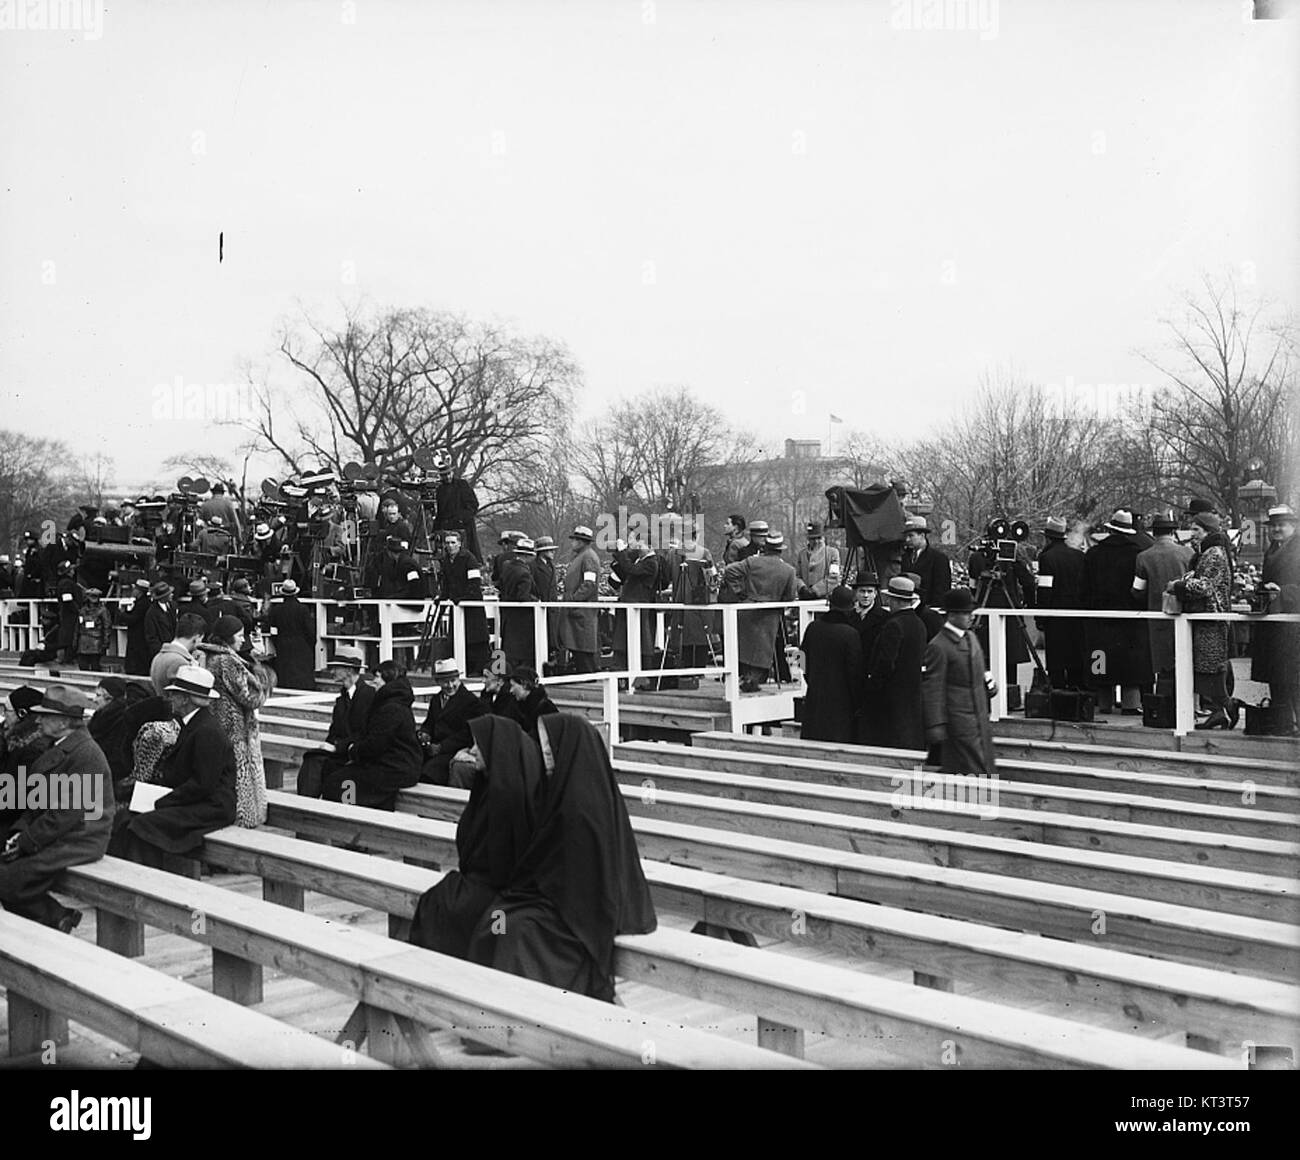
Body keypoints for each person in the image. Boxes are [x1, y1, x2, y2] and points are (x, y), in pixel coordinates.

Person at [465, 713, 656, 1003]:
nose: (544, 753)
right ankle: (486, 1004)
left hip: (580, 911)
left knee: (515, 931)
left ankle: (514, 1012)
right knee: (496, 919)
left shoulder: (583, 808)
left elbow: (585, 881)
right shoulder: (561, 791)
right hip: (554, 898)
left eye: (548, 746)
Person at [408, 714, 545, 958]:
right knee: (437, 901)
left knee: (441, 906)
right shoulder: (489, 784)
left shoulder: (508, 795)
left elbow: (503, 866)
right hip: (482, 882)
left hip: (500, 892)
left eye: (477, 745)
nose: (472, 751)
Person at [0, 686, 113, 933]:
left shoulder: (87, 754)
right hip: (59, 831)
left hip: (82, 836)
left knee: (8, 878)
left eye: (45, 715)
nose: (37, 719)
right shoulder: (59, 745)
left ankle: (54, 918)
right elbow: (35, 803)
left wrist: (26, 840)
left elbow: (66, 813)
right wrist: (19, 832)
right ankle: (55, 919)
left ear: (63, 722)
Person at [110, 666, 237, 867]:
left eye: (174, 694)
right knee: (125, 817)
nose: (169, 698)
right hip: (196, 799)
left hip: (212, 807)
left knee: (142, 825)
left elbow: (203, 785)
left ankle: (148, 882)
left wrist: (162, 800)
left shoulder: (206, 731)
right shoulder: (195, 724)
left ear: (186, 699)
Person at [197, 616, 275, 826]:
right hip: (236, 730)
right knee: (240, 780)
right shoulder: (227, 661)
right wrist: (264, 678)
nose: (243, 640)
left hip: (220, 726)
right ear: (228, 637)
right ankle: (245, 819)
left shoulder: (210, 657)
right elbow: (251, 697)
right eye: (240, 635)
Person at [322, 660, 422, 810]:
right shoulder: (391, 702)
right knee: (338, 774)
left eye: (378, 677)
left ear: (388, 681)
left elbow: (375, 744)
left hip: (396, 769)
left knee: (338, 782)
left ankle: (351, 817)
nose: (374, 681)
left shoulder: (391, 708)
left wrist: (352, 751)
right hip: (396, 764)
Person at [921, 589, 997, 779]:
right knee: (970, 770)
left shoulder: (970, 637)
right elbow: (932, 688)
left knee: (983, 766)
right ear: (952, 615)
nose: (971, 617)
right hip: (958, 722)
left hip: (979, 717)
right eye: (966, 613)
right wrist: (935, 725)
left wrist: (989, 684)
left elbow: (979, 670)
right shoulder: (939, 646)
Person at [1083, 509, 1152, 715]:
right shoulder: (1137, 555)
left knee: (1101, 658)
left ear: (1110, 529)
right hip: (1129, 618)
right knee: (1130, 661)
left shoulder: (1093, 554)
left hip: (1099, 618)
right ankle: (1131, 704)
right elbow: (1139, 589)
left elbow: (1083, 588)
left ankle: (1103, 703)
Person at [1177, 512, 1237, 730]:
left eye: (1196, 529)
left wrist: (1179, 587)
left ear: (1208, 531)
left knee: (1209, 667)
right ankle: (1219, 710)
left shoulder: (1213, 554)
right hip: (1208, 618)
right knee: (1207, 667)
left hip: (1211, 618)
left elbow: (1205, 586)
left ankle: (1226, 706)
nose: (1192, 534)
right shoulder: (1209, 552)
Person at [721, 531, 799, 692]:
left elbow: (729, 571)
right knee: (763, 650)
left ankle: (745, 680)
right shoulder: (788, 570)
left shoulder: (752, 562)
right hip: (769, 615)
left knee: (744, 648)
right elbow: (790, 596)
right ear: (780, 550)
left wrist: (740, 591)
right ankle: (752, 680)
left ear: (766, 547)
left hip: (747, 609)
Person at [297, 646, 376, 799]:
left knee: (322, 766)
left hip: (357, 754)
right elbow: (335, 731)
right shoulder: (342, 699)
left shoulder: (368, 696)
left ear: (349, 670)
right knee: (312, 758)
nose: (331, 672)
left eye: (336, 668)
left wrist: (336, 747)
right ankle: (306, 806)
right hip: (342, 751)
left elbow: (365, 733)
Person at [1131, 512, 1192, 696]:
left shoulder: (1143, 557)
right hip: (1185, 615)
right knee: (1184, 660)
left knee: (1163, 664)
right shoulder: (1188, 553)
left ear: (1154, 533)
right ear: (1173, 531)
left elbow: (1137, 591)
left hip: (1157, 616)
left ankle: (1163, 702)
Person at [1252, 504, 1300, 735]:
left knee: (1294, 678)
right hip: (1275, 624)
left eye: (1282, 525)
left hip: (1293, 624)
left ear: (1293, 526)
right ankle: (1283, 724)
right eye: (1273, 526)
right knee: (1278, 677)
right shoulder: (1272, 550)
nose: (1277, 529)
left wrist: (1283, 590)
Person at [865, 575, 927, 751]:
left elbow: (886, 662)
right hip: (913, 692)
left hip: (892, 695)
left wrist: (873, 684)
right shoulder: (919, 624)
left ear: (894, 600)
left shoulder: (894, 625)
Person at [798, 587, 866, 743]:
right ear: (851, 606)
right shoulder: (850, 634)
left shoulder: (813, 628)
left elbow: (801, 657)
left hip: (814, 701)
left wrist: (810, 679)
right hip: (841, 706)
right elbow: (855, 673)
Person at [1037, 516, 1090, 690]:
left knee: (1056, 661)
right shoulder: (1079, 556)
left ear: (1048, 537)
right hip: (1077, 615)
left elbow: (1045, 589)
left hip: (1055, 615)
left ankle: (1058, 695)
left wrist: (1041, 617)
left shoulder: (1047, 558)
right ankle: (1078, 695)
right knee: (1076, 658)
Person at [419, 659, 484, 786]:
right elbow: (429, 723)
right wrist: (424, 733)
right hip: (433, 747)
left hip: (453, 750)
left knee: (430, 771)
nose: (450, 685)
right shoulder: (436, 700)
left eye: (453, 681)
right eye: (445, 682)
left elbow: (467, 734)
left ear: (459, 679)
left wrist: (441, 747)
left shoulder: (471, 702)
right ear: (438, 682)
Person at [439, 530, 490, 675]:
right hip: (457, 606)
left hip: (471, 605)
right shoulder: (446, 561)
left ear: (459, 544)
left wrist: (463, 598)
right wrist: (443, 597)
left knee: (475, 637)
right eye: (447, 543)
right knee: (457, 636)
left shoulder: (469, 559)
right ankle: (462, 666)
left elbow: (474, 584)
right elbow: (447, 583)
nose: (450, 546)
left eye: (453, 542)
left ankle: (478, 669)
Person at [556, 526, 602, 673]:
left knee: (583, 648)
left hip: (581, 611)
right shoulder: (582, 556)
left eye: (575, 540)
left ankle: (589, 676)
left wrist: (573, 601)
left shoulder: (588, 557)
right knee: (579, 647)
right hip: (577, 611)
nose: (572, 543)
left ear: (582, 542)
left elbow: (589, 584)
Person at [610, 538, 659, 675]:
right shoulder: (640, 560)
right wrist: (620, 554)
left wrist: (622, 552)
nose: (638, 546)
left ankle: (642, 674)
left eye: (641, 544)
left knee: (641, 640)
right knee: (623, 639)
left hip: (638, 605)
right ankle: (622, 670)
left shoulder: (651, 563)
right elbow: (625, 571)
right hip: (629, 604)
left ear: (650, 546)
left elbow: (632, 569)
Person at [432, 450, 482, 562]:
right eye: (444, 475)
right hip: (447, 529)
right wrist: (435, 529)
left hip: (463, 527)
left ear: (452, 473)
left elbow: (473, 505)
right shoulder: (439, 490)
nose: (447, 477)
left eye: (449, 474)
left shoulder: (462, 485)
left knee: (466, 556)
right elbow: (440, 512)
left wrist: (461, 519)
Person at [498, 536, 539, 669]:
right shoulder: (524, 573)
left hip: (507, 614)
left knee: (509, 647)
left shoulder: (506, 567)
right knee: (521, 650)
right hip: (521, 617)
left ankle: (505, 672)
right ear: (528, 556)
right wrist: (536, 600)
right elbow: (523, 596)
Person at [268, 578, 317, 689]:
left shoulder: (276, 610)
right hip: (301, 644)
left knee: (286, 673)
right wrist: (311, 644)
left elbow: (272, 629)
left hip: (283, 643)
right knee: (303, 674)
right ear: (295, 593)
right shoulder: (303, 609)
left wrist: (277, 642)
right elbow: (310, 631)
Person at [150, 612, 208, 695]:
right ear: (197, 637)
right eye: (201, 639)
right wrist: (200, 667)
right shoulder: (179, 662)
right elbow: (197, 693)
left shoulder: (159, 656)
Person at [900, 516, 952, 608]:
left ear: (922, 535)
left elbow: (942, 589)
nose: (907, 540)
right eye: (906, 536)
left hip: (928, 610)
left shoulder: (938, 558)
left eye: (911, 536)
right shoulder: (904, 557)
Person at [508, 664, 558, 743]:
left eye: (513, 686)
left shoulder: (546, 709)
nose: (511, 690)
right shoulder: (515, 705)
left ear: (524, 684)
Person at [795, 521, 842, 599]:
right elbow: (797, 576)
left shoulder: (833, 553)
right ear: (808, 539)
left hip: (824, 599)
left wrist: (815, 590)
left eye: (819, 538)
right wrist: (802, 588)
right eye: (812, 538)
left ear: (823, 538)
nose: (816, 541)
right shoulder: (801, 554)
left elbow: (834, 577)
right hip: (805, 599)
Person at [120, 577, 153, 676]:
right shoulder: (141, 602)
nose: (133, 591)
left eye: (135, 589)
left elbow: (133, 619)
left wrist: (122, 614)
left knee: (138, 660)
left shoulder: (143, 604)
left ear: (139, 591)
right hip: (137, 636)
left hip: (139, 637)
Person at [75, 587, 114, 672]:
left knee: (95, 666)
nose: (93, 599)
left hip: (96, 641)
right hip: (83, 641)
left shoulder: (103, 610)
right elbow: (77, 627)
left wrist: (106, 642)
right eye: (91, 596)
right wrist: (75, 641)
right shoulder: (82, 610)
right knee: (82, 666)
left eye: (95, 596)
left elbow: (107, 627)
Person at [376, 535, 424, 599]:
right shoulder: (401, 562)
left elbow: (414, 585)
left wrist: (396, 597)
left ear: (389, 552)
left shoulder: (407, 565)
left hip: (414, 603)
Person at [143, 580, 178, 664]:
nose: (172, 595)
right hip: (161, 654)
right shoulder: (152, 613)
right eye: (169, 594)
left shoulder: (172, 606)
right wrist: (161, 652)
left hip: (174, 650)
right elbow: (151, 637)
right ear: (163, 597)